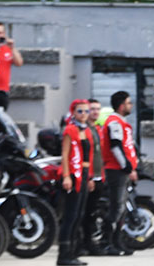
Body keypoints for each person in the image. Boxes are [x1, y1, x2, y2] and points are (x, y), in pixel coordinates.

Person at [59, 99, 96, 266]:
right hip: (74, 174)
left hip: (85, 172)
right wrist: (66, 176)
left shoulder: (87, 131)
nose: (83, 114)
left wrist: (90, 177)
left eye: (86, 111)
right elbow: (65, 155)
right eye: (80, 111)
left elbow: (90, 156)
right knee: (71, 215)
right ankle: (63, 255)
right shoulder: (70, 130)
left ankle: (73, 253)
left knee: (80, 214)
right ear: (73, 113)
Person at [101, 91, 139, 256]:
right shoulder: (114, 122)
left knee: (121, 208)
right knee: (116, 207)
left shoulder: (121, 122)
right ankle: (106, 242)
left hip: (121, 170)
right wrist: (127, 168)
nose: (131, 106)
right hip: (116, 171)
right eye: (129, 103)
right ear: (122, 105)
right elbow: (115, 146)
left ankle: (117, 242)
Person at [80, 99, 110, 256]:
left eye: (98, 109)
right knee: (83, 213)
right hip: (88, 178)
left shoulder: (98, 129)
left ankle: (90, 243)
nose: (95, 112)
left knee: (92, 212)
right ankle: (81, 244)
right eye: (92, 109)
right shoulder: (83, 130)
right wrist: (89, 177)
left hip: (100, 177)